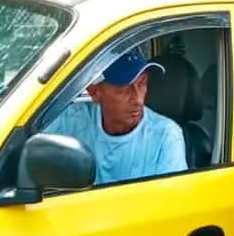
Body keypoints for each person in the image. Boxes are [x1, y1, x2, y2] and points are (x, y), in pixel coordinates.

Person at [47, 49, 187, 185]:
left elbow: (170, 203)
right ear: (95, 92)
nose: (138, 99)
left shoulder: (165, 135)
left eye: (142, 83)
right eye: (125, 88)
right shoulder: (72, 121)